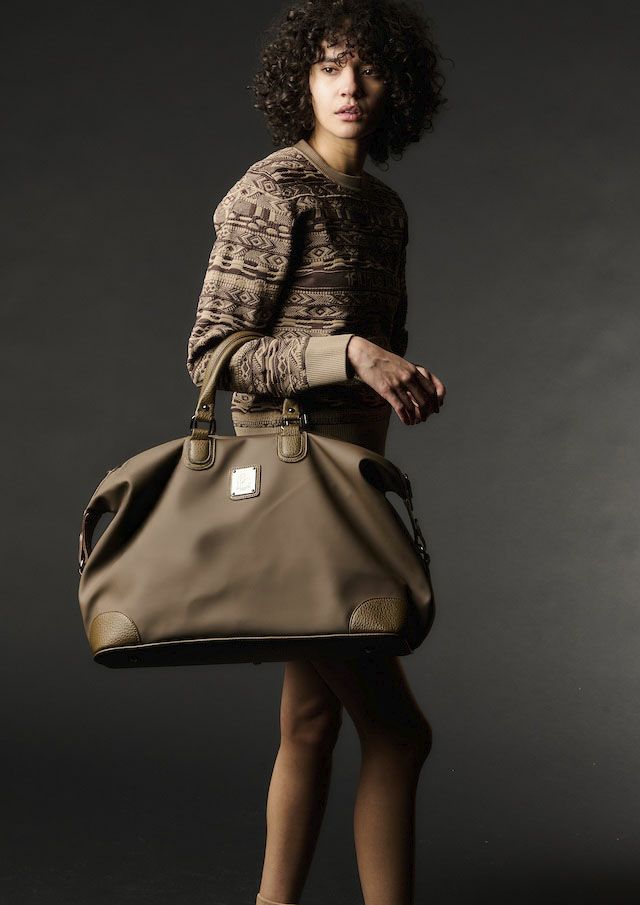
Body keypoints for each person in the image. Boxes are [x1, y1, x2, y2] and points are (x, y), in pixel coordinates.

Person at [185, 2, 448, 902]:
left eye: (367, 68)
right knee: (400, 734)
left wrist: (397, 378)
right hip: (292, 498)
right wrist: (352, 353)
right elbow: (213, 353)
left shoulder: (383, 209)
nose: (349, 85)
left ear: (395, 85)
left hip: (352, 488)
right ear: (299, 78)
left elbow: (363, 355)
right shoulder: (272, 191)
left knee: (309, 723)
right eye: (330, 65)